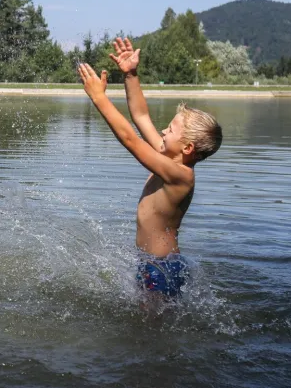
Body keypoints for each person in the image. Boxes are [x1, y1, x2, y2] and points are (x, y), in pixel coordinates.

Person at [77, 38, 222, 297]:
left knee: (152, 321)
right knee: (154, 317)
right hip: (155, 264)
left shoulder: (180, 175)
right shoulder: (168, 158)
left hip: (160, 267)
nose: (163, 130)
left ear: (187, 148)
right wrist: (130, 74)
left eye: (171, 130)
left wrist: (99, 98)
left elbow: (131, 140)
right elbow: (141, 116)